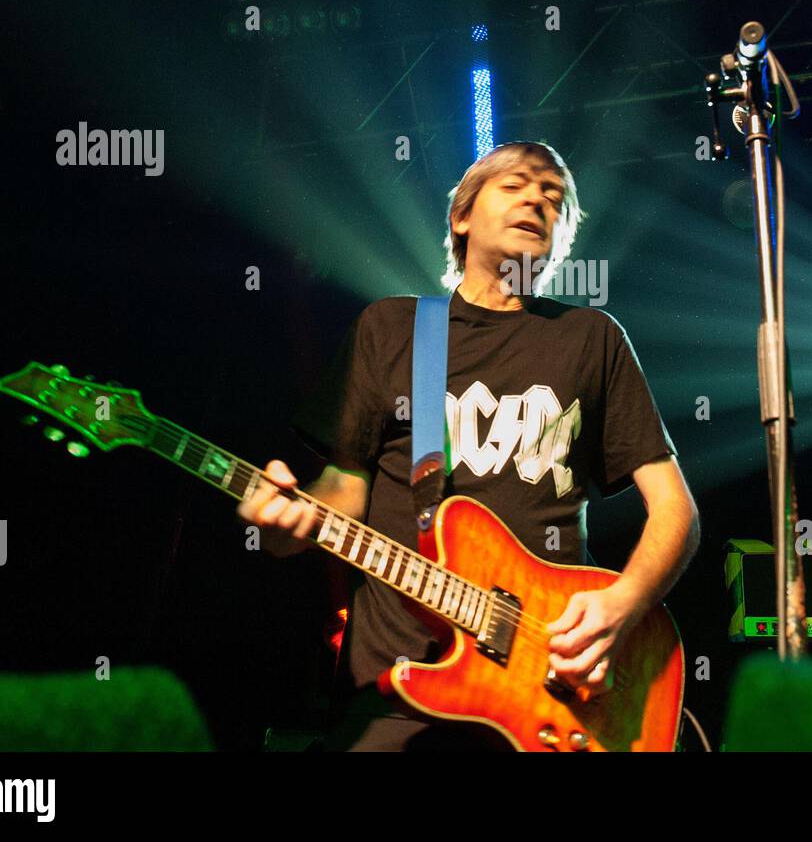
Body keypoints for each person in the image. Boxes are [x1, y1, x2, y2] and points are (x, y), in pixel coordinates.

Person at [237, 140, 700, 750]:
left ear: (562, 240)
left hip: (554, 692)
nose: (536, 197)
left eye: (553, 195)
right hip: (396, 690)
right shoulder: (392, 328)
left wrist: (623, 606)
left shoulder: (593, 339)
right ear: (461, 216)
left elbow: (677, 511)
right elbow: (344, 489)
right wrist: (289, 522)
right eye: (514, 185)